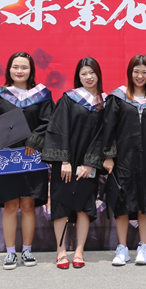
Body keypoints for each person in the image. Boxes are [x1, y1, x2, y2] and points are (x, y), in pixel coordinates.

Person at [0, 51, 53, 270]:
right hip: (8, 157)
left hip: (32, 157)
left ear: (31, 70)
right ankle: (10, 253)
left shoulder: (42, 95)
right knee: (11, 205)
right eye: (15, 67)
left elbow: (49, 122)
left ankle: (27, 250)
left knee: (28, 204)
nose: (20, 71)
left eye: (24, 67)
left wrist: (34, 140)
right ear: (9, 69)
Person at [43, 57, 107, 269]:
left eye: (92, 72)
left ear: (98, 74)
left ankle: (79, 251)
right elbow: (58, 129)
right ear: (78, 77)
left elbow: (103, 136)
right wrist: (64, 160)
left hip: (89, 164)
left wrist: (90, 163)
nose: (88, 77)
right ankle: (61, 251)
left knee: (84, 205)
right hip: (66, 162)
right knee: (61, 203)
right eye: (83, 74)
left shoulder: (105, 102)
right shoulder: (69, 99)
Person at [101, 54, 146, 266]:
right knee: (122, 202)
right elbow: (108, 127)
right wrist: (109, 156)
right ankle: (122, 248)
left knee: (145, 202)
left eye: (144, 72)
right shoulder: (118, 97)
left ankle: (143, 247)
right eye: (136, 71)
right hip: (123, 159)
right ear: (130, 73)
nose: (140, 76)